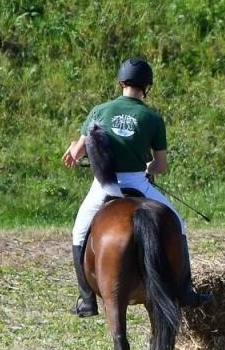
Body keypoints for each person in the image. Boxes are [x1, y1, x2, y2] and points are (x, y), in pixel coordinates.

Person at [62, 57, 211, 316]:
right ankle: (186, 291)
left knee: (78, 232)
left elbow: (77, 152)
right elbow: (161, 166)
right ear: (147, 86)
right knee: (178, 223)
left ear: (121, 82)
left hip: (103, 186)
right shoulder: (152, 118)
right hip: (137, 183)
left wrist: (74, 151)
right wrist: (148, 168)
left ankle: (87, 299)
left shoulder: (99, 110)